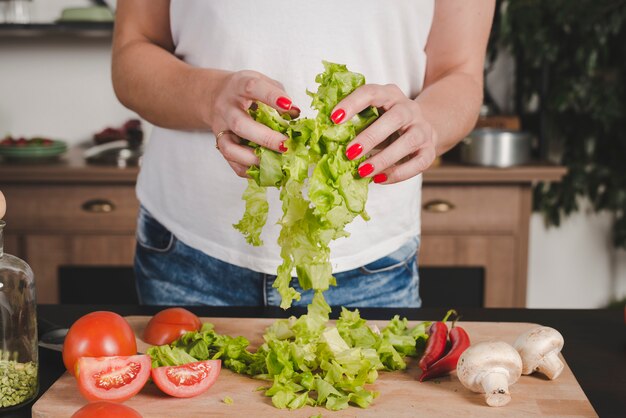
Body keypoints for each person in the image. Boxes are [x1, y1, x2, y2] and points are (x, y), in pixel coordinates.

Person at [111, 0, 495, 308]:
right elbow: (132, 53)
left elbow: (460, 73)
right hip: (187, 253)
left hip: (371, 267)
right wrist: (208, 96)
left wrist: (424, 122)